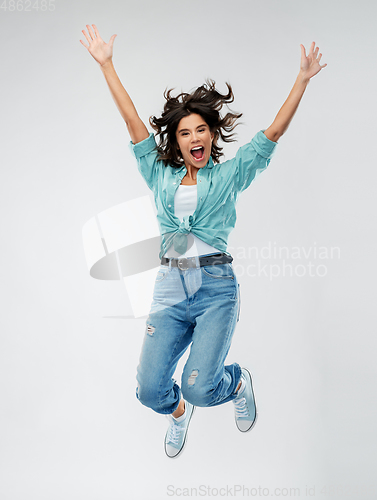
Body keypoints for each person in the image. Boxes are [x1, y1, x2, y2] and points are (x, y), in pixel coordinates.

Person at [80, 25, 327, 458]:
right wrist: (107, 65)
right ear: (175, 143)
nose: (194, 138)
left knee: (199, 388)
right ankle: (178, 414)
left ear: (211, 134)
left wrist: (301, 81)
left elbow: (272, 133)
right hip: (170, 289)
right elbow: (132, 122)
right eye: (184, 133)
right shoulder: (159, 174)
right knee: (150, 390)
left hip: (215, 289)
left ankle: (236, 383)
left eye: (200, 130)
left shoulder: (230, 175)